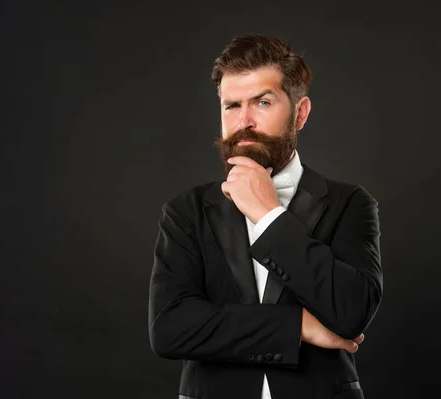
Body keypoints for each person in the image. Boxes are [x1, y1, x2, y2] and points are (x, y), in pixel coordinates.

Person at [149, 34, 383, 399]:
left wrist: (268, 214)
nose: (244, 122)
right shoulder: (185, 211)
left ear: (300, 112)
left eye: (262, 102)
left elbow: (352, 312)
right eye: (231, 106)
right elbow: (170, 329)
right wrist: (296, 327)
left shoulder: (351, 203)